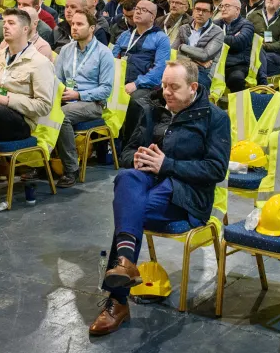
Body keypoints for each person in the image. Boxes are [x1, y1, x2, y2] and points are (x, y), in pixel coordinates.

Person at [88, 60, 229, 336]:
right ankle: (126, 263)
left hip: (186, 195)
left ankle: (117, 301)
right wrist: (138, 159)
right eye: (164, 85)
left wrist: (168, 165)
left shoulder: (214, 118)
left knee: (129, 212)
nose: (166, 92)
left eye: (174, 87)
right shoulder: (154, 110)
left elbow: (216, 169)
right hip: (149, 182)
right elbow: (126, 154)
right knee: (126, 178)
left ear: (193, 88)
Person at [0, 9, 56, 149]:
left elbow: (44, 106)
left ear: (25, 29)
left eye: (11, 23)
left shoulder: (39, 63)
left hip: (20, 122)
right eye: (4, 23)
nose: (6, 26)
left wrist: (8, 100)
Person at [51, 8, 116, 188]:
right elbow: (57, 79)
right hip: (66, 98)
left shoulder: (104, 53)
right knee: (41, 110)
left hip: (92, 103)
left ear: (92, 28)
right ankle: (40, 163)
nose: (74, 28)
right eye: (73, 24)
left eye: (80, 24)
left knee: (61, 116)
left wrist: (79, 94)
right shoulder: (65, 50)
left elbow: (105, 90)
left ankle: (71, 169)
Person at [112, 0, 173, 114]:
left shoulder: (160, 38)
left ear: (152, 17)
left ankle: (130, 132)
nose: (138, 12)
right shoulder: (124, 36)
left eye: (143, 10)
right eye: (137, 9)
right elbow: (112, 60)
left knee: (135, 101)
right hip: (120, 82)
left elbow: (159, 69)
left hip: (144, 86)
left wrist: (136, 84)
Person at [172, 0, 224, 88]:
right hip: (182, 67)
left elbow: (205, 55)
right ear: (193, 11)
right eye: (198, 9)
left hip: (203, 72)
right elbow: (173, 52)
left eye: (204, 11)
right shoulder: (184, 28)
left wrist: (182, 47)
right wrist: (193, 61)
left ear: (211, 14)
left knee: (185, 83)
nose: (200, 13)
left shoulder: (217, 32)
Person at [216, 0, 255, 93]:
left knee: (236, 79)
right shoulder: (215, 24)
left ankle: (240, 107)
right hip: (216, 64)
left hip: (236, 64)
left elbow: (238, 43)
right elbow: (208, 40)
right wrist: (231, 37)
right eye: (222, 6)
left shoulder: (247, 25)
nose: (223, 9)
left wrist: (218, 38)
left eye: (227, 6)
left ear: (237, 10)